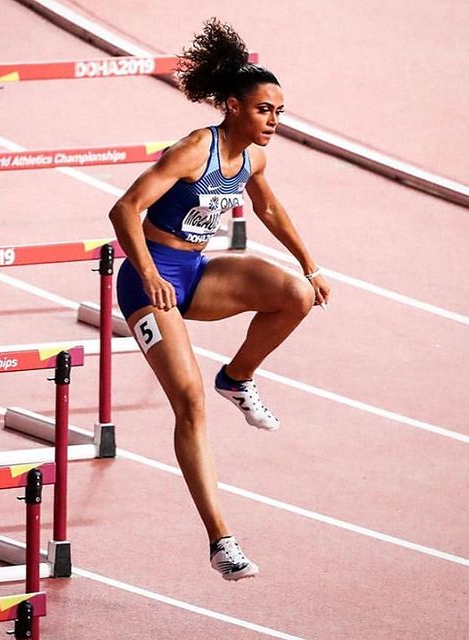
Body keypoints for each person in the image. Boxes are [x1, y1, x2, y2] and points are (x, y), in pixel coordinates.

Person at [109, 18, 330, 581]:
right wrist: (146, 270)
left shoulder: (252, 156)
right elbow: (123, 210)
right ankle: (221, 542)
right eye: (264, 110)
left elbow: (269, 209)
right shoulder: (192, 150)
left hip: (197, 272)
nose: (274, 122)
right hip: (147, 282)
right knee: (189, 404)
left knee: (295, 296)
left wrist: (311, 263)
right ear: (232, 106)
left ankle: (236, 377)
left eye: (280, 112)